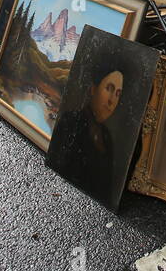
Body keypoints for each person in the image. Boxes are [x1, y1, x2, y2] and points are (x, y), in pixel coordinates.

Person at [47, 67, 124, 203]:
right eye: (109, 89)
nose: (112, 101)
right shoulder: (70, 121)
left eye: (117, 94)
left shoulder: (106, 137)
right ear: (93, 89)